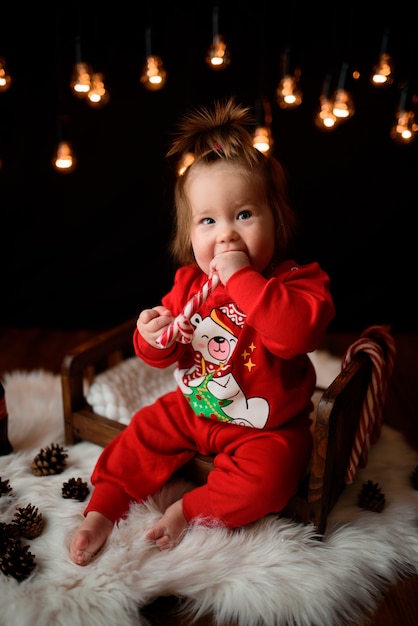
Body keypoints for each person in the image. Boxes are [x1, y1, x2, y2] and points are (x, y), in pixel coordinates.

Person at [69, 98, 336, 566]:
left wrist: (242, 279)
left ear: (277, 218)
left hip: (265, 424)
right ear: (188, 234)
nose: (226, 235)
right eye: (208, 221)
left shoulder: (298, 285)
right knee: (140, 433)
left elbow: (294, 336)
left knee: (273, 478)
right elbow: (166, 351)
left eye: (244, 215)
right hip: (195, 406)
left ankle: (189, 510)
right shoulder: (190, 284)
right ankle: (103, 511)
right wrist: (152, 338)